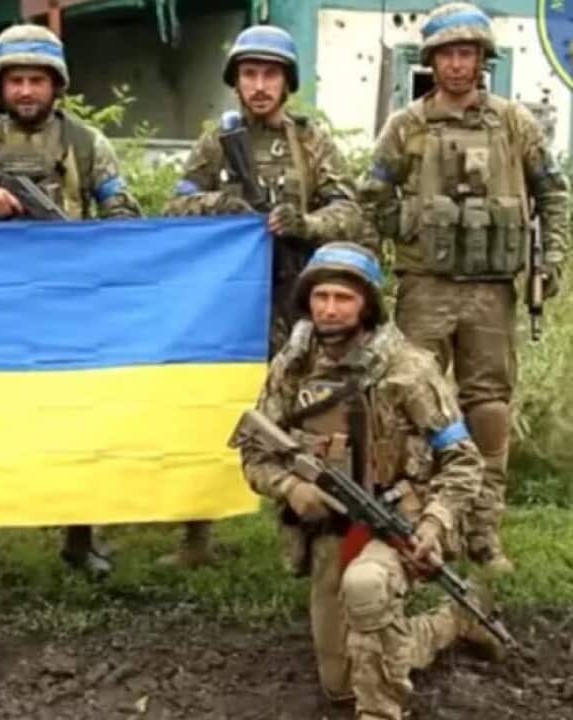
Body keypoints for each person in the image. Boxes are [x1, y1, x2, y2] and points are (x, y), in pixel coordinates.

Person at [232, 242, 505, 719]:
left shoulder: (408, 369)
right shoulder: (292, 367)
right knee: (340, 685)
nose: (330, 309)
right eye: (321, 296)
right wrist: (291, 488)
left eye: (344, 298)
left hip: (401, 517)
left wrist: (434, 524)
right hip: (331, 530)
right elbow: (255, 451)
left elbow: (463, 459)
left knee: (366, 588)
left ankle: (380, 710)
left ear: (367, 305)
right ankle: (450, 621)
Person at [0, 23, 141, 577]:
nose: (25, 91)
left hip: (67, 305)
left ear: (55, 85)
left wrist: (90, 239)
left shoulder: (87, 144)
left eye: (36, 80)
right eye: (15, 80)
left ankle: (79, 539)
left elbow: (124, 214)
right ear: (0, 85)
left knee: (77, 424)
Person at [360, 2, 568, 576]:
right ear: (432, 60)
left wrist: (551, 258)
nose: (457, 65)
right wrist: (405, 228)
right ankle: (414, 523)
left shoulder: (514, 123)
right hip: (425, 286)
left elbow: (552, 192)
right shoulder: (407, 126)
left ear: (482, 60)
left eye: (467, 54)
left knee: (490, 407)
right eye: (448, 54)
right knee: (411, 404)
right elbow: (370, 195)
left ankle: (482, 531)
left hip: (491, 292)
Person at [159, 25, 366, 568]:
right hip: (228, 301)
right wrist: (223, 207)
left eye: (270, 74)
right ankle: (196, 535)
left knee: (307, 413)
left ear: (286, 83)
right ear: (235, 82)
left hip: (296, 298)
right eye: (249, 74)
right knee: (211, 406)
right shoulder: (216, 143)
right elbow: (175, 208)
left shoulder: (311, 142)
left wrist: (305, 223)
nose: (259, 85)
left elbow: (350, 212)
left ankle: (303, 528)